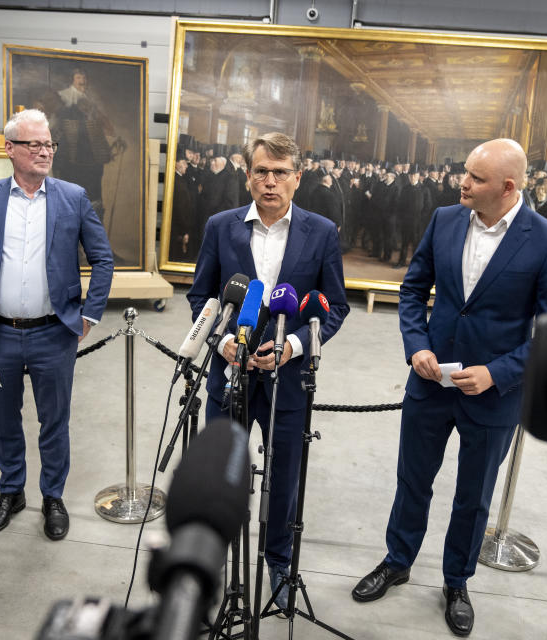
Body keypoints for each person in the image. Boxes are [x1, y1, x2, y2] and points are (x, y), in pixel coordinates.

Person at [351, 139, 547, 637]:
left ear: (508, 187)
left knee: (474, 496)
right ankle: (398, 559)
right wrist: (416, 346)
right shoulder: (445, 219)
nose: (462, 182)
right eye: (465, 173)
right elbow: (413, 290)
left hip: (494, 396)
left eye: (475, 177)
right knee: (412, 478)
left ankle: (457, 582)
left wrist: (499, 372)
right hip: (430, 382)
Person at [187, 132, 349, 611]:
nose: (271, 181)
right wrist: (219, 344)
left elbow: (334, 306)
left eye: (281, 173)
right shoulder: (221, 226)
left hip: (288, 379)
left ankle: (278, 561)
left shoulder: (321, 232)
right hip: (229, 375)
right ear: (248, 175)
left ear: (298, 178)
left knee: (283, 476)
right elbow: (202, 296)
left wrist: (294, 345)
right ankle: (209, 565)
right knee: (220, 477)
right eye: (261, 171)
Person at [0, 109, 114, 542]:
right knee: (5, 421)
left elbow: (103, 258)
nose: (45, 152)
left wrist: (90, 313)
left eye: (49, 145)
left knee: (53, 422)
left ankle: (53, 497)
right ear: (10, 149)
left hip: (53, 333)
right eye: (34, 144)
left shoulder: (73, 197)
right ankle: (11, 492)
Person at [52, 68, 125, 227]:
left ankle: (95, 238)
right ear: (72, 79)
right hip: (69, 160)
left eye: (84, 77)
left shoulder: (91, 102)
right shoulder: (62, 98)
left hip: (93, 159)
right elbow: (54, 128)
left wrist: (115, 138)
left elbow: (105, 125)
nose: (82, 81)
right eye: (79, 77)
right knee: (69, 199)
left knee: (94, 198)